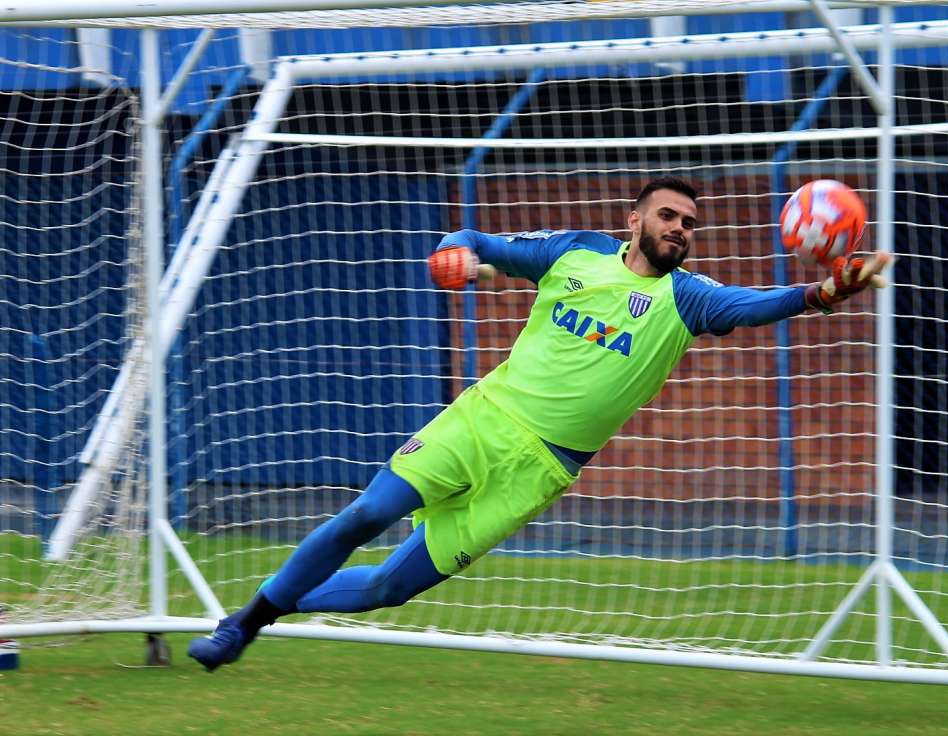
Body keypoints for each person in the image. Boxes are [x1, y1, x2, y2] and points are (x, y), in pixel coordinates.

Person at [188, 176, 889, 671]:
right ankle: (242, 625)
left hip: (541, 471)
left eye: (690, 224)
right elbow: (479, 242)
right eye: (670, 216)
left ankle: (273, 602)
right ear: (637, 219)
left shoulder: (689, 299)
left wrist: (819, 294)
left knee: (384, 590)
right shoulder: (573, 253)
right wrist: (455, 252)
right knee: (366, 514)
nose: (682, 229)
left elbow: (753, 305)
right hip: (483, 419)